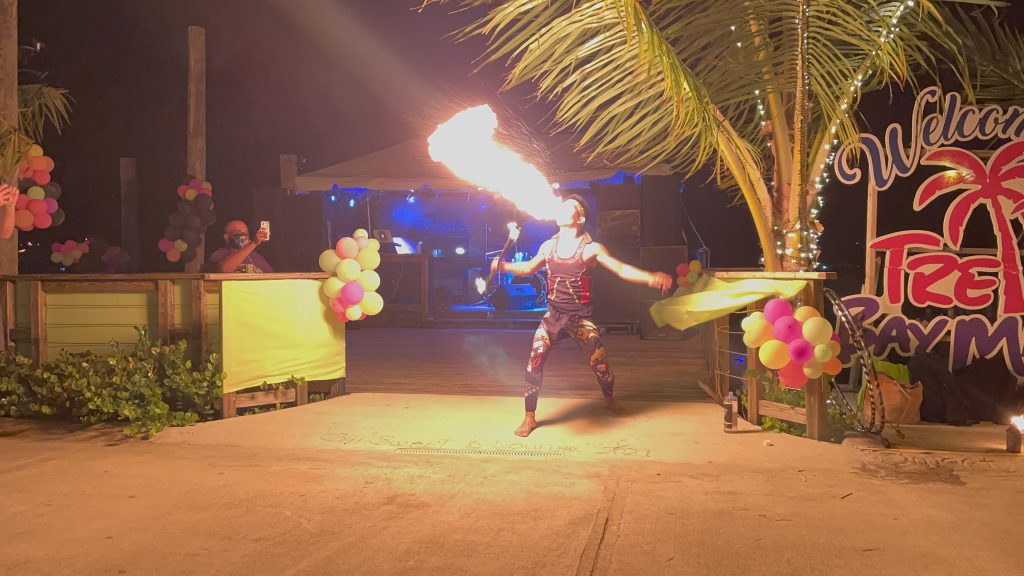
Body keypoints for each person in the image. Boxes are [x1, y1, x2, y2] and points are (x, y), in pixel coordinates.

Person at [492, 194, 672, 437]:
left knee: (602, 367)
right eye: (562, 206)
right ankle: (529, 417)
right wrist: (504, 266)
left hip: (580, 319)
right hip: (553, 317)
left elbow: (619, 268)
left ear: (580, 218)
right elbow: (527, 268)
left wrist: (650, 277)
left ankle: (609, 398)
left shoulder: (591, 249)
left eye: (569, 207)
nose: (562, 209)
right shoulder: (548, 246)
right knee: (534, 362)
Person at [207, 220, 273, 273]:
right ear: (227, 237)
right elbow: (224, 270)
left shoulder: (257, 256)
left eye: (246, 233)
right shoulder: (220, 253)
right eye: (238, 232)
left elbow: (272, 277)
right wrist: (253, 243)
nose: (244, 235)